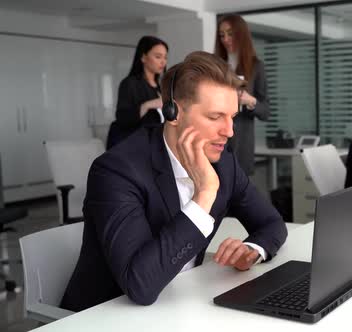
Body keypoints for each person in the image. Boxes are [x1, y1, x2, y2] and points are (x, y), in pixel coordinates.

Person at [60, 51, 288, 312]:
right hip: (105, 316)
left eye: (232, 117)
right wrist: (204, 194)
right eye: (215, 117)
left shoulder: (224, 163)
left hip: (181, 305)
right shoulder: (117, 171)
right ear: (174, 113)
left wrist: (252, 249)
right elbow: (140, 286)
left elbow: (271, 223)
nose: (229, 131)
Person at [214, 14, 270, 175]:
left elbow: (266, 111)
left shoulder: (256, 66)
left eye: (230, 34)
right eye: (222, 35)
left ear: (241, 34)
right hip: (216, 139)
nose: (225, 39)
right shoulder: (215, 66)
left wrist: (250, 100)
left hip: (242, 144)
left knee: (239, 194)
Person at [106, 36, 168, 149]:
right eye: (158, 57)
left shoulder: (161, 87)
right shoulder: (129, 84)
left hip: (156, 145)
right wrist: (147, 105)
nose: (163, 61)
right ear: (144, 57)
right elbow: (122, 118)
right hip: (136, 146)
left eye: (165, 57)